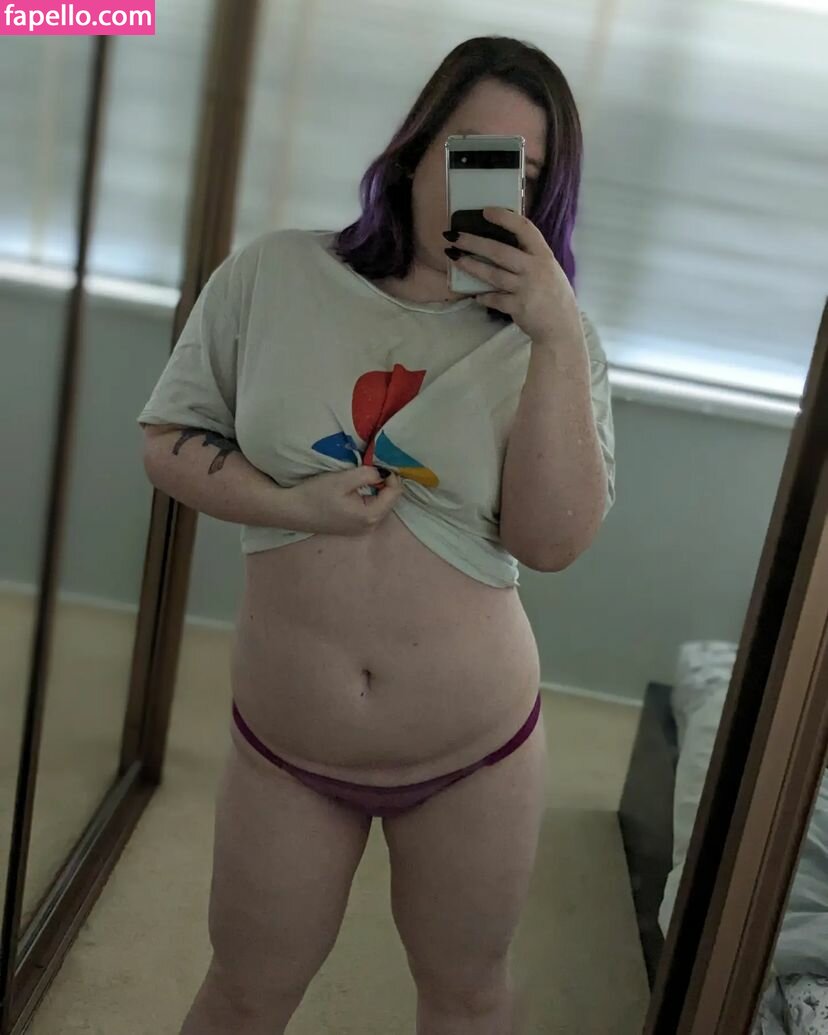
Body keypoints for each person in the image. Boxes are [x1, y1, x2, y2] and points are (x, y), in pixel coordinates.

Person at [138, 33, 616, 1035]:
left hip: (475, 750)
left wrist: (557, 335)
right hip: (286, 743)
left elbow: (552, 543)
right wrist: (294, 505)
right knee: (243, 992)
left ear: (546, 196)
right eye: (469, 150)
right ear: (414, 150)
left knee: (467, 998)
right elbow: (169, 441)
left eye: (523, 173)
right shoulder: (273, 275)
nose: (490, 187)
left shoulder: (555, 343)